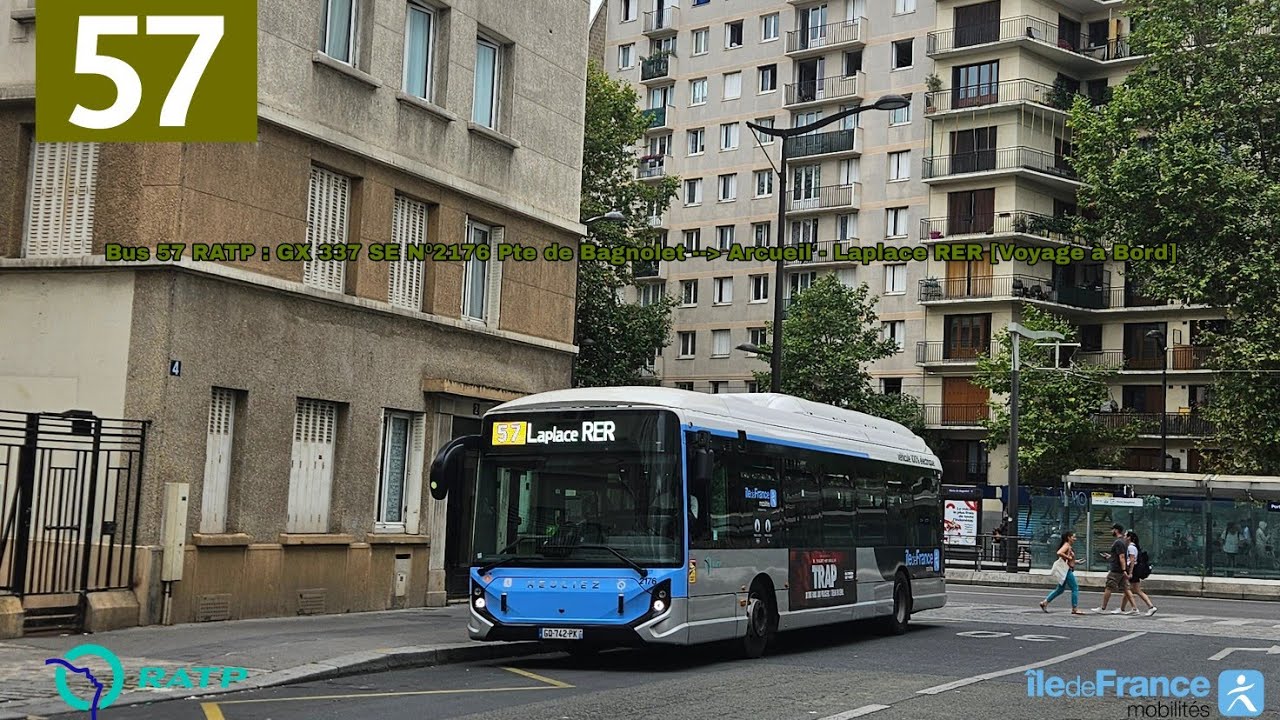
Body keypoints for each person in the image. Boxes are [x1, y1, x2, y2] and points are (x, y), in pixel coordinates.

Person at [1092, 523, 1134, 614]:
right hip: (1121, 569)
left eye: (1112, 530)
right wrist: (1110, 557)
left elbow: (1121, 556)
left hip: (1116, 569)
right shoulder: (1124, 541)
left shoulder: (1118, 542)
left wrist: (1123, 570)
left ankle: (1103, 608)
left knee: (1109, 587)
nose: (1111, 531)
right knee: (1126, 589)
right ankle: (1134, 608)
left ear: (1116, 530)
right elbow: (1119, 556)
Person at [1040, 531, 1084, 615]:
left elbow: (1065, 559)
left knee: (1060, 589)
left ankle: (1045, 602)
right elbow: (1059, 553)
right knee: (1075, 588)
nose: (1075, 539)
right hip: (1066, 570)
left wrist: (1076, 561)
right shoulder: (1066, 545)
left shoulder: (1068, 546)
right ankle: (1074, 608)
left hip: (1065, 569)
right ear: (1069, 538)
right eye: (1073, 537)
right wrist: (1069, 557)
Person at [1120, 531, 1157, 615]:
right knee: (1127, 589)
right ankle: (1122, 608)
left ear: (1129, 537)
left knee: (1136, 590)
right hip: (1134, 570)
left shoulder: (1131, 547)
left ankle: (1151, 607)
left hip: (1133, 570)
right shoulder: (1132, 547)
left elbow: (1132, 561)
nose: (1124, 537)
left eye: (1125, 536)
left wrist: (1130, 572)